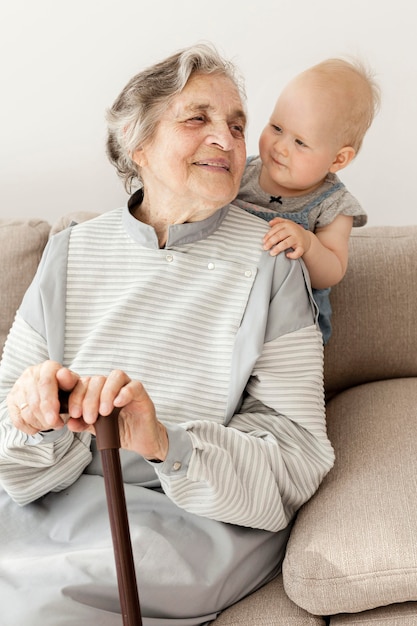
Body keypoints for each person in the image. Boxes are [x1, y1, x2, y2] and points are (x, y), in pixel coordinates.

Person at [0, 44, 334, 626]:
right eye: (197, 119)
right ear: (138, 144)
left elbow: (298, 456)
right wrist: (33, 415)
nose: (227, 141)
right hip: (48, 498)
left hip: (180, 522)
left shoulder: (273, 261)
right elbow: (7, 428)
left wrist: (165, 442)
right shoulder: (71, 250)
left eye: (236, 126)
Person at [235, 58, 380, 343]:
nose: (281, 147)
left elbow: (332, 272)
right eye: (276, 127)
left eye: (300, 142)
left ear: (338, 159)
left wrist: (309, 244)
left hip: (290, 322)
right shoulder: (240, 173)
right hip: (233, 301)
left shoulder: (334, 206)